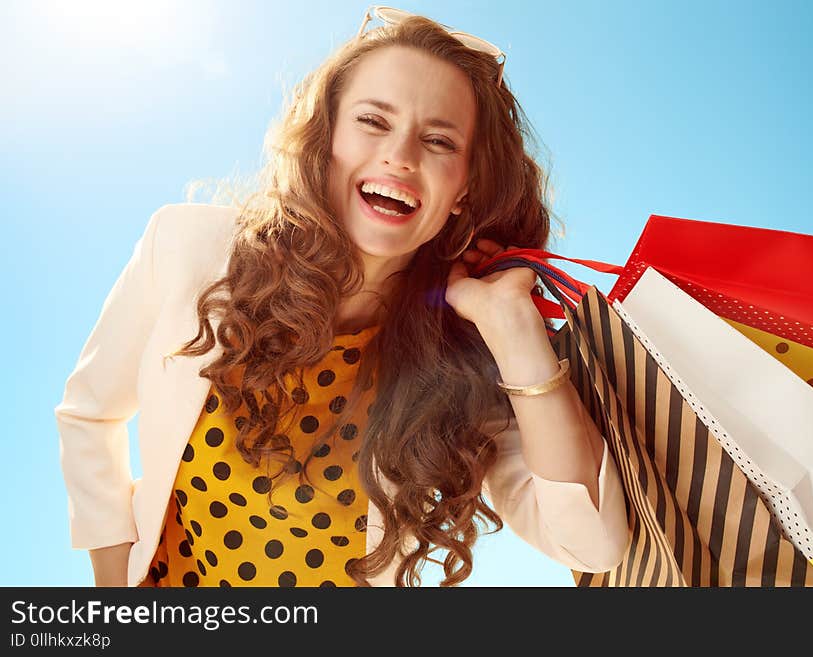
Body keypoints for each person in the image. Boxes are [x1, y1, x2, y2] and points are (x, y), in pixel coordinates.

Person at [56, 6, 627, 588]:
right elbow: (87, 414)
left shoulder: (463, 358)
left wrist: (511, 324)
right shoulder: (188, 246)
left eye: (437, 140)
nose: (400, 156)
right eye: (374, 122)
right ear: (324, 138)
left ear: (464, 190)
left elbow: (591, 543)